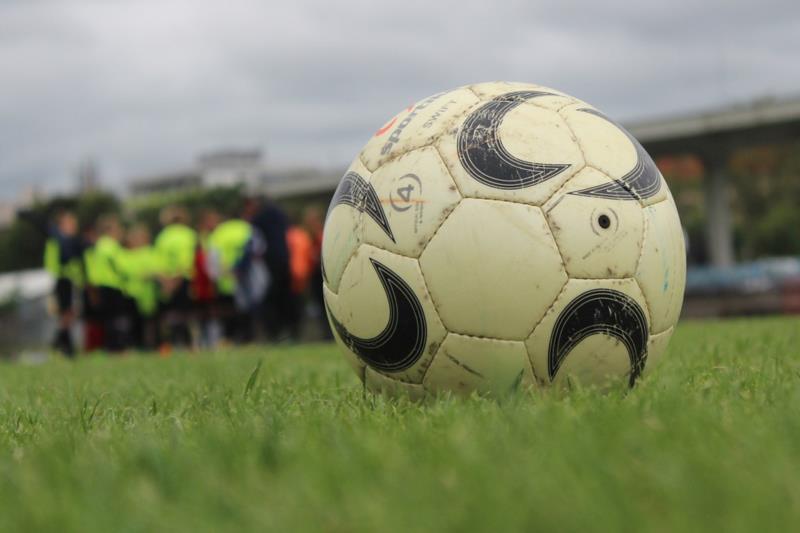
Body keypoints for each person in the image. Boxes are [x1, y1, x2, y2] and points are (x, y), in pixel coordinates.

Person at [207, 210, 266, 343]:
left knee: (228, 315)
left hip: (226, 281)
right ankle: (250, 339)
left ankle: (231, 340)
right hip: (247, 279)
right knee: (248, 312)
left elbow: (212, 259)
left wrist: (216, 276)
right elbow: (260, 249)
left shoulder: (219, 232)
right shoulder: (248, 229)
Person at [244, 196, 291, 341]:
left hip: (268, 263)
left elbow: (255, 246)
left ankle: (274, 333)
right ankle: (287, 331)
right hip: (284, 259)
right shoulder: (279, 215)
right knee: (283, 297)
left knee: (268, 299)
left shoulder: (258, 220)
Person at [154, 206, 197, 347]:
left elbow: (159, 261)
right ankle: (190, 345)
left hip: (166, 280)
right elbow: (187, 260)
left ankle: (172, 344)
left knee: (171, 315)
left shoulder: (162, 236)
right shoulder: (189, 234)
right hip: (184, 278)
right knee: (187, 315)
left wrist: (167, 282)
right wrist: (177, 280)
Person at [43, 210, 84, 356]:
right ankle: (60, 343)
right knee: (66, 314)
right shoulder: (60, 240)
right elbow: (61, 262)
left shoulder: (63, 239)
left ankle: (64, 345)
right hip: (62, 280)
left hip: (67, 280)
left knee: (68, 314)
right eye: (70, 223)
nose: (73, 226)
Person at [86, 214, 129, 352]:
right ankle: (118, 347)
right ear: (110, 230)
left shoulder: (98, 246)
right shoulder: (110, 245)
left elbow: (92, 270)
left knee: (108, 320)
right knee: (117, 320)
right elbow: (121, 266)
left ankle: (111, 347)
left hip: (102, 287)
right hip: (113, 286)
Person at [121, 224, 162, 350]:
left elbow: (158, 272)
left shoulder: (149, 253)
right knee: (136, 324)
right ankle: (138, 346)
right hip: (133, 295)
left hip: (148, 296)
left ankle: (150, 346)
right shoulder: (128, 254)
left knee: (149, 323)